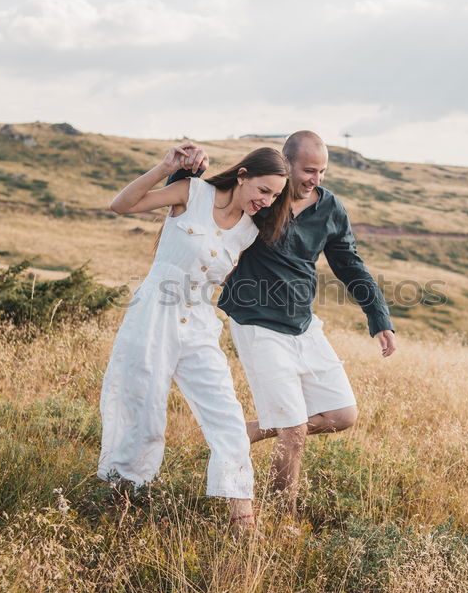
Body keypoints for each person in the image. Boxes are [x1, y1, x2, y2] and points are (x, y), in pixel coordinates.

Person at [170, 131, 396, 514]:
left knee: (343, 415)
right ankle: (281, 518)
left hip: (304, 324)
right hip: (257, 323)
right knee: (293, 432)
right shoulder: (260, 199)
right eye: (309, 170)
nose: (316, 179)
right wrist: (183, 171)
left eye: (322, 171)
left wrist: (379, 318)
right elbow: (198, 202)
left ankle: (254, 428)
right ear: (286, 164)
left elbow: (350, 264)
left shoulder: (330, 209)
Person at [98, 143, 291, 531]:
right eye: (263, 190)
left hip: (199, 322)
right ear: (243, 175)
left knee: (227, 415)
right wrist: (165, 166)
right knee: (142, 408)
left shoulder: (249, 232)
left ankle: (243, 523)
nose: (267, 201)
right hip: (154, 313)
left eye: (274, 196)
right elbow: (122, 205)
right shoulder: (193, 193)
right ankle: (121, 502)